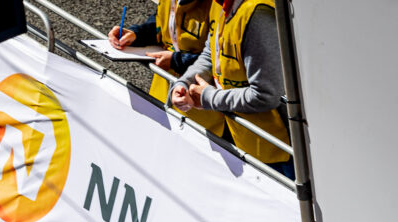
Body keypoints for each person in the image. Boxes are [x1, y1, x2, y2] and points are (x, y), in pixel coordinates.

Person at [170, 0, 294, 177]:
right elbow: (211, 53)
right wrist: (184, 83)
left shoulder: (257, 14)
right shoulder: (221, 4)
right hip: (248, 142)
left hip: (279, 151)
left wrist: (210, 98)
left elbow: (265, 95)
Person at [109, 0, 226, 134]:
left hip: (201, 116)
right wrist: (136, 34)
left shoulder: (218, 5)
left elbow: (220, 60)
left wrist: (175, 61)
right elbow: (161, 23)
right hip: (162, 95)